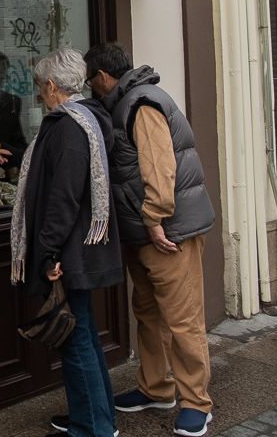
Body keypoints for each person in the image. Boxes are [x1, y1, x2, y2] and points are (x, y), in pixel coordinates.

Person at [84, 44, 216, 437]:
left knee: (182, 319)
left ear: (103, 77)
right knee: (148, 312)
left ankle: (197, 403)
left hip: (166, 232)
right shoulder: (127, 101)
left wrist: (155, 219)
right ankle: (157, 388)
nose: (91, 87)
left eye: (91, 80)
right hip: (142, 232)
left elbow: (160, 168)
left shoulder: (141, 104)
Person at [10, 49, 121, 437]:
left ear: (53, 86)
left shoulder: (69, 126)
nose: (41, 94)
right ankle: (98, 418)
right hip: (79, 248)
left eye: (42, 87)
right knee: (84, 334)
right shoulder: (87, 119)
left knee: (75, 340)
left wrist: (49, 252)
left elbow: (64, 196)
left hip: (70, 251)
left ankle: (93, 428)